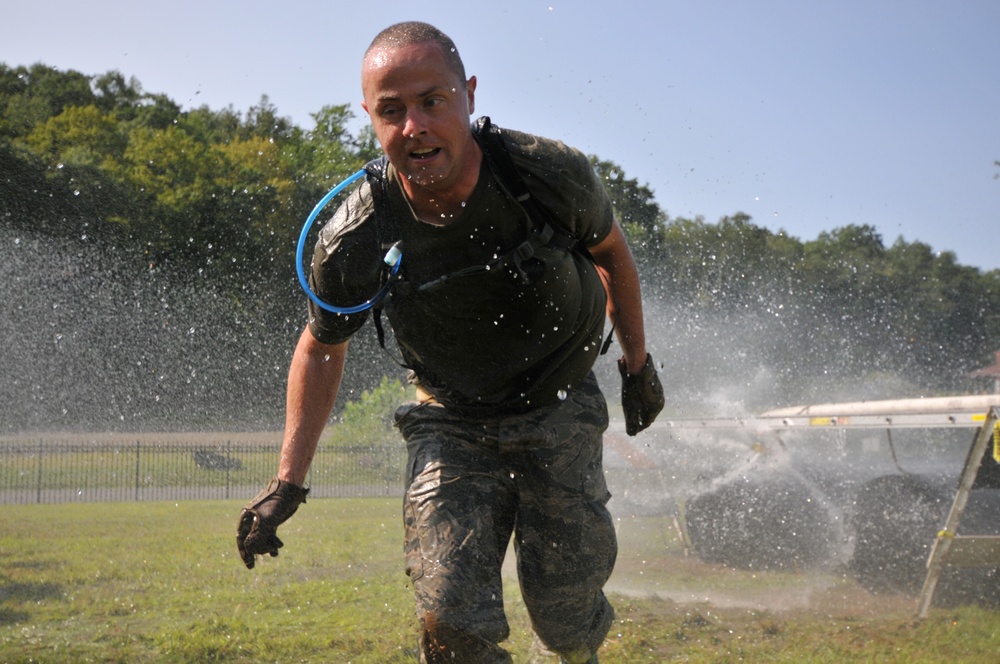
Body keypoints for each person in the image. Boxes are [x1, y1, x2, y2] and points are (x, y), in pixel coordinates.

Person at [237, 21, 664, 664]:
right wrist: (287, 482)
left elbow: (611, 255)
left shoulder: (548, 174)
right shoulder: (355, 235)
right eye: (392, 110)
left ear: (467, 94)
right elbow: (322, 346)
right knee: (448, 617)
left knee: (566, 619)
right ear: (370, 117)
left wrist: (637, 365)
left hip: (559, 403)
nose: (414, 127)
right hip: (450, 418)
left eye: (432, 101)